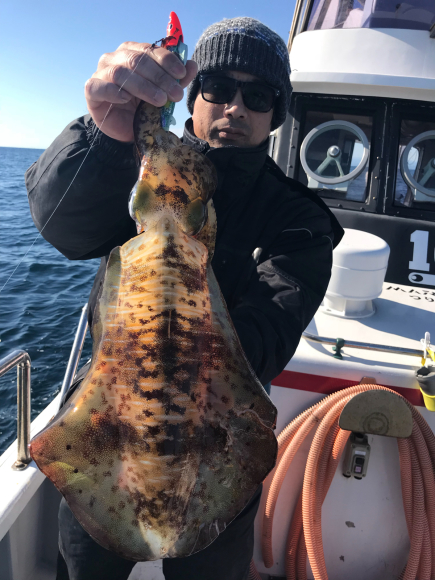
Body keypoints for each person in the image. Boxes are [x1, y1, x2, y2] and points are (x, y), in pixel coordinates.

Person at [26, 17, 343, 580]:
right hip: (105, 430)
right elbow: (63, 225)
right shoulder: (138, 174)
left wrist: (170, 327)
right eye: (218, 88)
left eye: (259, 96)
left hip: (216, 442)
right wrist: (104, 132)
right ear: (194, 95)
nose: (234, 109)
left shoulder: (297, 218)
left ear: (277, 114)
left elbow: (270, 332)